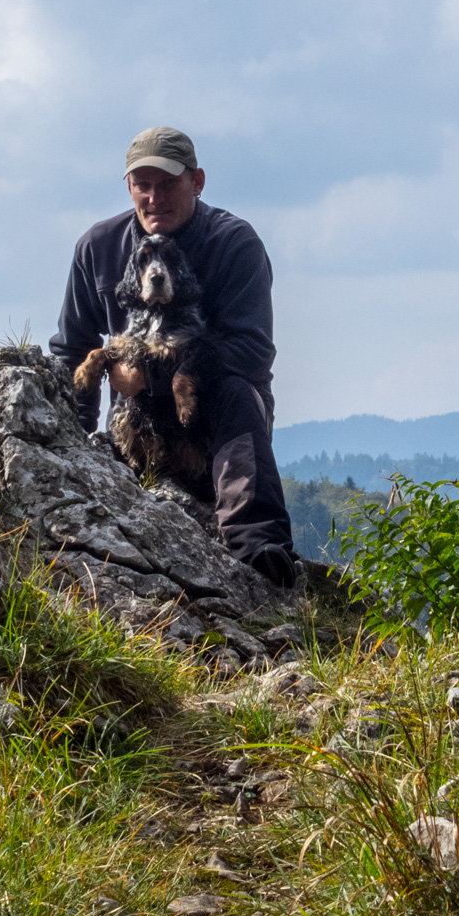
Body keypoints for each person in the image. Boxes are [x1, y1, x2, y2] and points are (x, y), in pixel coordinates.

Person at [49, 126, 299, 587]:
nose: (153, 197)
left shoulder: (234, 243)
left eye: (167, 184)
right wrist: (69, 447)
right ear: (128, 187)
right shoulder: (97, 249)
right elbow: (70, 351)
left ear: (198, 181)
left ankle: (259, 549)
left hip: (219, 418)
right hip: (137, 426)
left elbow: (251, 353)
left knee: (236, 390)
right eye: (142, 185)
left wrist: (149, 378)